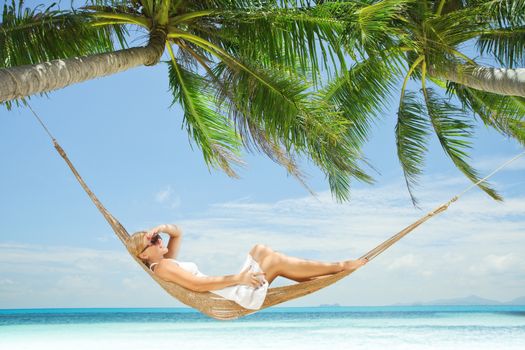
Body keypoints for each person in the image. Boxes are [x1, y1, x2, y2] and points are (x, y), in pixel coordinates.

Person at [129, 224, 368, 310]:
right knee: (275, 262)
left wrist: (161, 227)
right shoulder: (162, 268)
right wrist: (239, 278)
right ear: (142, 254)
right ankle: (339, 266)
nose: (159, 240)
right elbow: (196, 285)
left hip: (230, 291)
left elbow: (178, 233)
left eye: (158, 237)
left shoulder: (165, 261)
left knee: (260, 250)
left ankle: (314, 281)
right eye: (153, 240)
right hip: (234, 298)